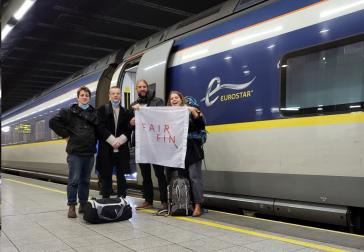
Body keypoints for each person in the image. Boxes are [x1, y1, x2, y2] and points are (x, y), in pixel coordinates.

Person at [49, 86, 98, 218]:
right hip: (75, 153)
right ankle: (71, 206)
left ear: (89, 97)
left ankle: (82, 204)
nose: (84, 97)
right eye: (82, 95)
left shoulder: (94, 113)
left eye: (87, 95)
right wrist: (66, 135)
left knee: (85, 181)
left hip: (89, 152)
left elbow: (98, 130)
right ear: (78, 98)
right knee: (74, 180)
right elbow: (53, 122)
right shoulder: (68, 112)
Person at [130, 79, 168, 209]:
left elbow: (162, 118)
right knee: (145, 175)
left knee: (160, 174)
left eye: (144, 86)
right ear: (136, 89)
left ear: (147, 88)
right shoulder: (133, 105)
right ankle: (148, 200)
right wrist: (131, 122)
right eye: (139, 87)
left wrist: (143, 111)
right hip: (142, 145)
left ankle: (164, 201)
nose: (142, 89)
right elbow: (129, 125)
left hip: (156, 143)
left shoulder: (158, 101)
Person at [167, 91, 205, 217]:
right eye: (171, 98)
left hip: (192, 149)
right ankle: (185, 204)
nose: (174, 100)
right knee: (182, 178)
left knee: (195, 178)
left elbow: (200, 125)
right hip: (177, 151)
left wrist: (193, 112)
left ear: (181, 99)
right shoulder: (167, 115)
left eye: (176, 97)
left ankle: (198, 206)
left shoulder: (190, 110)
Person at [96, 86, 132, 199]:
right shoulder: (102, 110)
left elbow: (129, 129)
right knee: (106, 174)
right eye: (113, 93)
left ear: (120, 96)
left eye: (118, 93)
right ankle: (105, 199)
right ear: (109, 95)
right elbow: (100, 127)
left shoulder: (126, 112)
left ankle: (122, 199)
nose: (116, 95)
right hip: (106, 147)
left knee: (121, 175)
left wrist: (120, 140)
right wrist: (112, 140)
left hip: (121, 148)